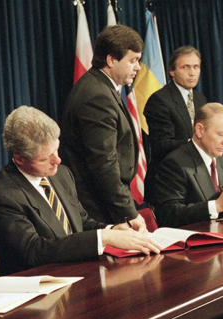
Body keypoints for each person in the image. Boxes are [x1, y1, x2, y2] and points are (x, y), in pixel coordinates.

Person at [0, 106, 160, 275]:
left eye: (56, 150)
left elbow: (80, 222)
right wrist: (104, 237)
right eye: (45, 158)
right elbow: (33, 251)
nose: (57, 161)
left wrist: (113, 229)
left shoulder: (61, 174)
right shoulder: (2, 197)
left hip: (79, 274)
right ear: (20, 159)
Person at [59, 24, 147, 229]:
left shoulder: (102, 87)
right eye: (133, 60)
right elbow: (103, 163)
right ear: (111, 60)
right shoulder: (97, 95)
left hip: (104, 203)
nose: (138, 67)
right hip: (98, 208)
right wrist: (127, 213)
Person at [148, 103, 223, 227]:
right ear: (200, 130)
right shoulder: (175, 163)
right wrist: (216, 206)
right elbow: (168, 214)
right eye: (221, 134)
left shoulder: (221, 160)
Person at [143, 46, 208, 195]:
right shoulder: (159, 100)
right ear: (172, 71)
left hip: (197, 178)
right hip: (168, 180)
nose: (192, 73)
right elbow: (161, 144)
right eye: (185, 67)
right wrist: (196, 143)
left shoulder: (200, 99)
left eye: (195, 67)